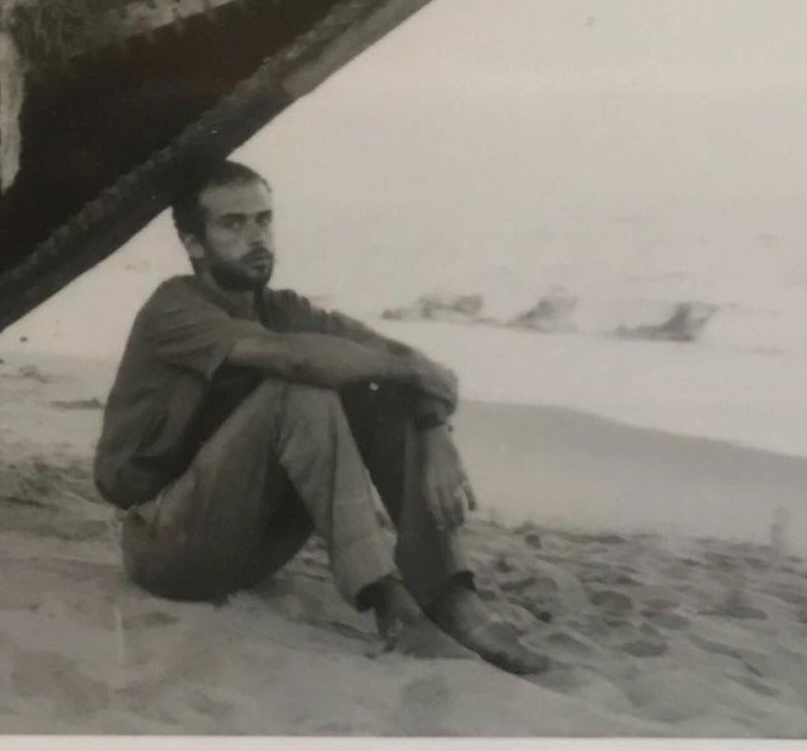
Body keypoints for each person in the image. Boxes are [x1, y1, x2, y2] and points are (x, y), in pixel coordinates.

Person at [93, 159, 548, 672]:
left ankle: (450, 598)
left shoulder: (284, 310)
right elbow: (293, 359)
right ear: (193, 243)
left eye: (264, 220)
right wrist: (407, 372)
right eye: (233, 224)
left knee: (378, 389)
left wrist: (432, 430)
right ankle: (392, 605)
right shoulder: (174, 308)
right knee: (301, 390)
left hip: (253, 549)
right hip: (167, 548)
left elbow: (411, 362)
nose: (256, 237)